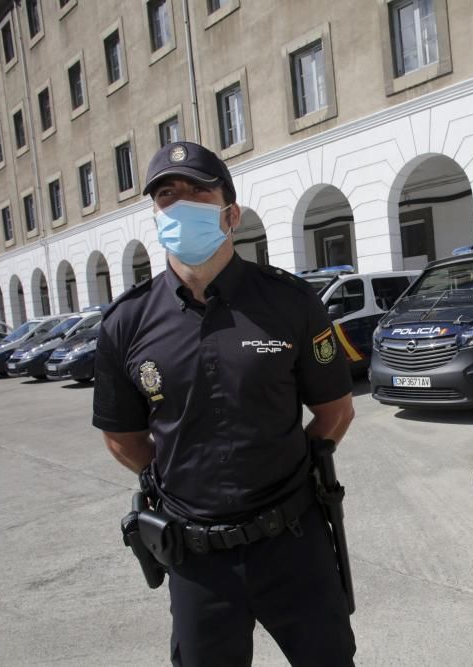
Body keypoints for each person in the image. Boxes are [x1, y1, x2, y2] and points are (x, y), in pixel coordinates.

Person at [92, 141, 356, 666]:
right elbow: (122, 438)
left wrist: (283, 469)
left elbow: (334, 412)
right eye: (168, 194)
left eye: (198, 191)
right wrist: (182, 478)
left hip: (293, 542)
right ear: (155, 214)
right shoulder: (125, 323)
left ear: (230, 213)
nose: (181, 203)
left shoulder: (290, 302)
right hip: (195, 557)